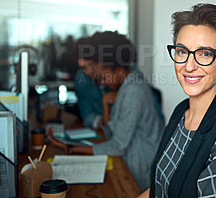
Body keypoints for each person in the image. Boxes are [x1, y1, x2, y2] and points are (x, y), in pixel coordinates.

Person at [139, 4, 216, 198]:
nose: (189, 66)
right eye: (182, 51)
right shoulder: (181, 111)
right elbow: (161, 187)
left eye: (205, 54)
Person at [49, 31, 163, 191]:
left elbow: (117, 146)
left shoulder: (133, 91)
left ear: (111, 67)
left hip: (141, 172)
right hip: (130, 164)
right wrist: (105, 103)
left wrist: (71, 148)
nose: (100, 80)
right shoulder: (126, 86)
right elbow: (112, 134)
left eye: (102, 76)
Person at [70, 36, 109, 128]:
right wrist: (103, 122)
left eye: (91, 65)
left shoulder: (121, 74)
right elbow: (86, 114)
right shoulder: (81, 78)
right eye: (83, 68)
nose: (89, 71)